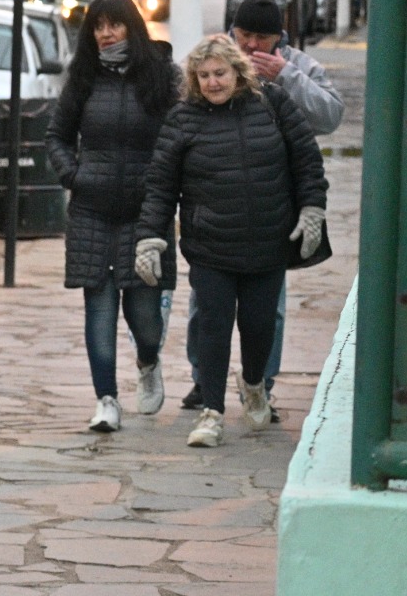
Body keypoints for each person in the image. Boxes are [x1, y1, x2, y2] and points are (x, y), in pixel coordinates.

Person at [136, 35, 328, 448]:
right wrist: (150, 237)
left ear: (238, 72)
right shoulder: (183, 119)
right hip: (210, 247)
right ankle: (212, 412)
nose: (212, 83)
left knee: (259, 328)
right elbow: (160, 185)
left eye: (219, 73)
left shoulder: (273, 104)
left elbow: (307, 160)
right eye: (203, 76)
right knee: (213, 327)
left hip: (267, 241)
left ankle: (255, 382)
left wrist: (312, 210)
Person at [178, 0, 344, 417]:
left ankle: (261, 383)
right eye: (244, 35)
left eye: (262, 38)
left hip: (273, 204)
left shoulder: (298, 67)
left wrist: (287, 76)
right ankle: (204, 380)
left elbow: (331, 116)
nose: (252, 45)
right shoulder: (214, 60)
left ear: (279, 38)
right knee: (206, 304)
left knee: (267, 309)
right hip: (216, 205)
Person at [47, 0, 180, 434]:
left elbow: (178, 139)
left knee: (145, 315)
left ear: (132, 28)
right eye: (98, 26)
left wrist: (163, 189)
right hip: (91, 211)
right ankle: (106, 399)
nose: (106, 33)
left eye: (115, 25)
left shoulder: (161, 77)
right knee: (98, 308)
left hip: (146, 213)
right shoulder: (82, 79)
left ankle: (148, 361)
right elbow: (57, 137)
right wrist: (75, 176)